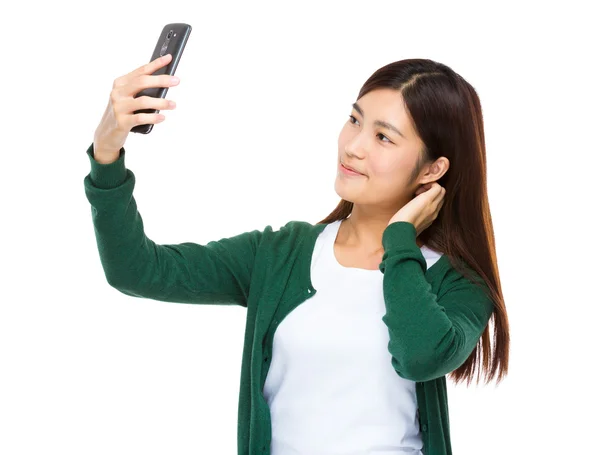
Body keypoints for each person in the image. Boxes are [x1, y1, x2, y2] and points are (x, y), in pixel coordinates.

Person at [84, 53, 510, 455]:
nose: (353, 146)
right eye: (354, 120)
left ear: (432, 170)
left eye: (383, 137)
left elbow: (421, 356)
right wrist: (106, 154)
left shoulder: (460, 281)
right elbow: (137, 270)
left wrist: (400, 239)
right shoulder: (282, 254)